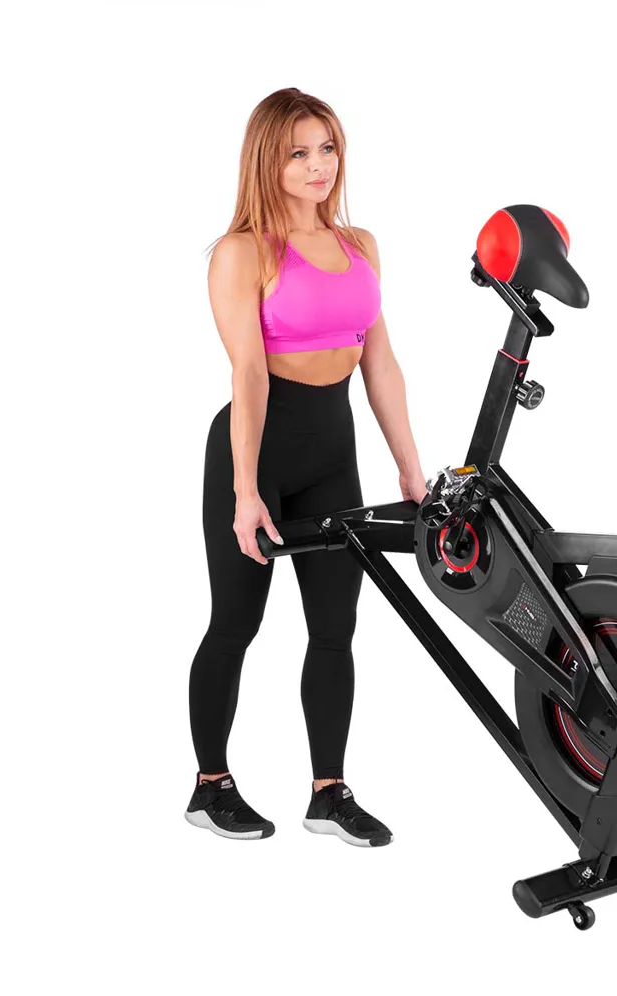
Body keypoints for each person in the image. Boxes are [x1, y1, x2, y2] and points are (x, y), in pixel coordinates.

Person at [185, 88, 427, 847]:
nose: (318, 165)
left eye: (327, 148)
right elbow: (248, 374)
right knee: (236, 623)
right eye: (298, 153)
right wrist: (244, 491)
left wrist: (411, 471)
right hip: (255, 453)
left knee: (334, 628)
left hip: (332, 454)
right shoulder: (242, 252)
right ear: (268, 160)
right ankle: (210, 787)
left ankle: (329, 793)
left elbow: (379, 363)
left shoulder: (360, 244)